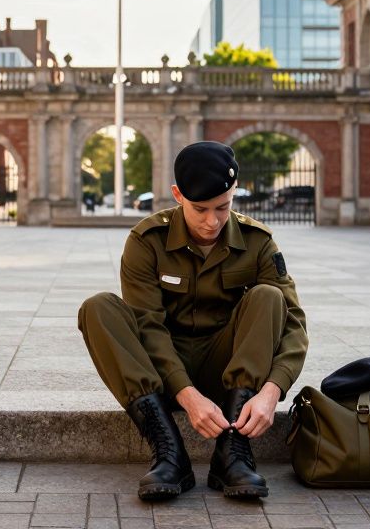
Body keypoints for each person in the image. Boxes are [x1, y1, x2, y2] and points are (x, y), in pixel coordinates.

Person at [78, 141, 306, 501]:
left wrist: (271, 391)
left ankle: (233, 453)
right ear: (177, 194)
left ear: (233, 192)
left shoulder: (258, 241)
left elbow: (293, 323)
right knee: (98, 308)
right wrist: (186, 395)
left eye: (223, 207)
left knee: (270, 297)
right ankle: (169, 451)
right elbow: (148, 327)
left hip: (229, 372)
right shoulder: (146, 241)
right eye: (199, 209)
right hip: (163, 376)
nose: (212, 221)